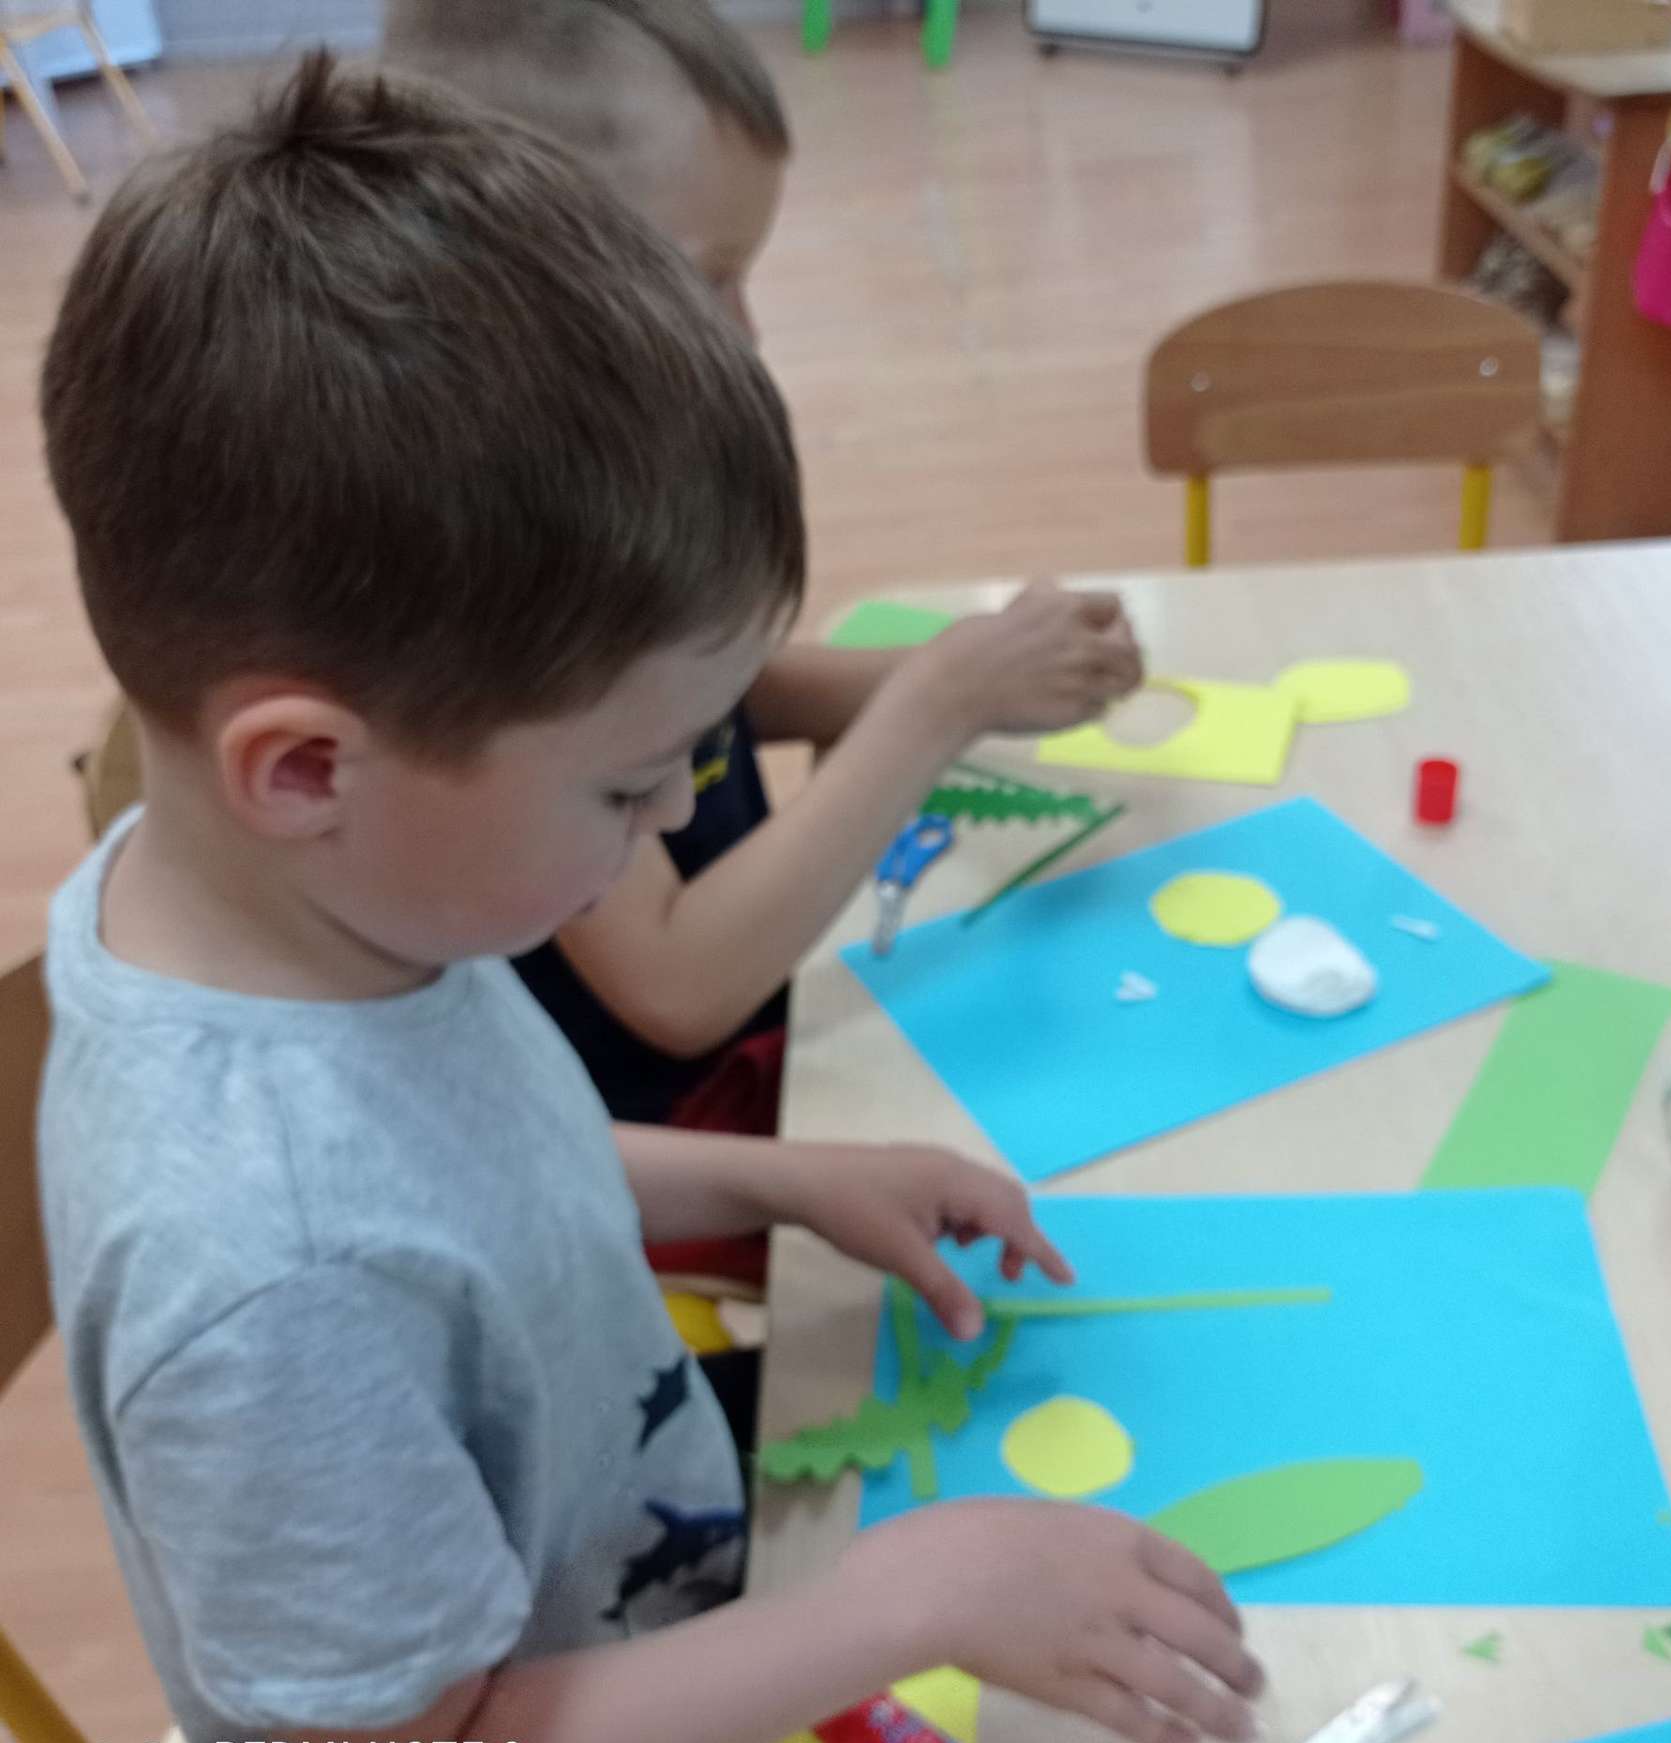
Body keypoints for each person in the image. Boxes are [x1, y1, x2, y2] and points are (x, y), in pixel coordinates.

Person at [36, 59, 1259, 1743]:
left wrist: (776, 1180)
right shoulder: (265, 1287)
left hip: (660, 1629)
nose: (683, 814)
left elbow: (451, 1181)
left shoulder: (304, 908)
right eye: (627, 787)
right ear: (306, 767)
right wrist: (896, 1608)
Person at [381, 1, 1144, 1277]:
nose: (744, 332)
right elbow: (674, 985)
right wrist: (940, 701)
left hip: (763, 1074)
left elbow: (718, 697)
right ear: (508, 270)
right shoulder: (485, 564)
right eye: (707, 278)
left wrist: (973, 676)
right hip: (654, 1176)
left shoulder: (605, 464)